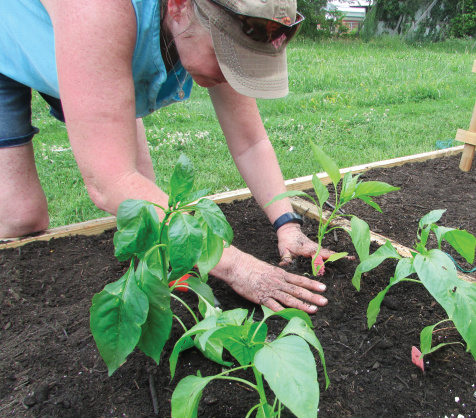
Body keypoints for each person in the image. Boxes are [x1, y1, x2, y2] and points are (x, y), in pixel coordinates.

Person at [0, 0, 339, 313]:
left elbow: (250, 141)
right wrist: (236, 266)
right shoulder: (100, 9)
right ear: (178, 7)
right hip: (13, 38)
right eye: (229, 58)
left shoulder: (212, 15)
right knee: (21, 217)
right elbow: (110, 181)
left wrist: (287, 224)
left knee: (147, 221)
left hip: (95, 50)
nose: (235, 76)